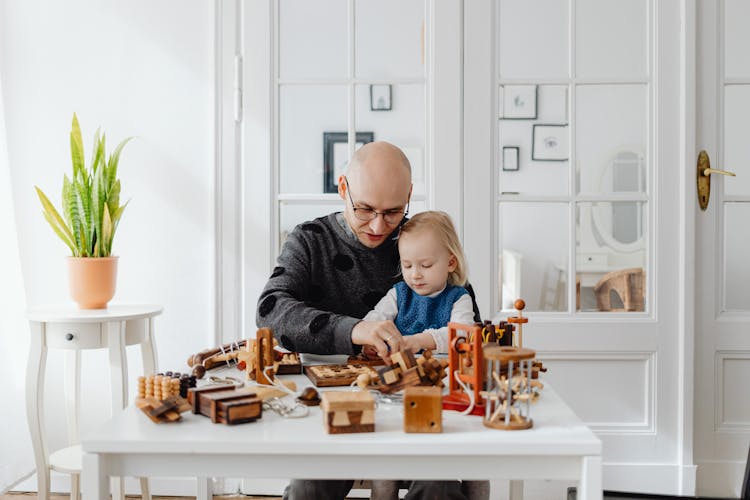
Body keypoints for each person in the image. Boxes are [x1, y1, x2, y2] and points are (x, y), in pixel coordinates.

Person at [256, 141, 481, 500]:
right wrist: (355, 329)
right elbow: (270, 310)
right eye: (364, 209)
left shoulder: (423, 242)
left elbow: (469, 331)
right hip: (334, 403)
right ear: (343, 188)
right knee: (307, 489)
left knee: (437, 487)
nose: (379, 226)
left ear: (409, 196)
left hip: (418, 405)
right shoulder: (310, 240)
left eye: (393, 212)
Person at [364, 211, 488, 500]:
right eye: (407, 265)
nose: (415, 274)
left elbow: (461, 334)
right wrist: (372, 337)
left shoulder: (459, 298)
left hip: (442, 393)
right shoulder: (399, 294)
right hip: (398, 392)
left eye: (425, 265)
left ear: (450, 262)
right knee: (386, 458)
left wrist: (421, 340)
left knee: (436, 467)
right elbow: (373, 320)